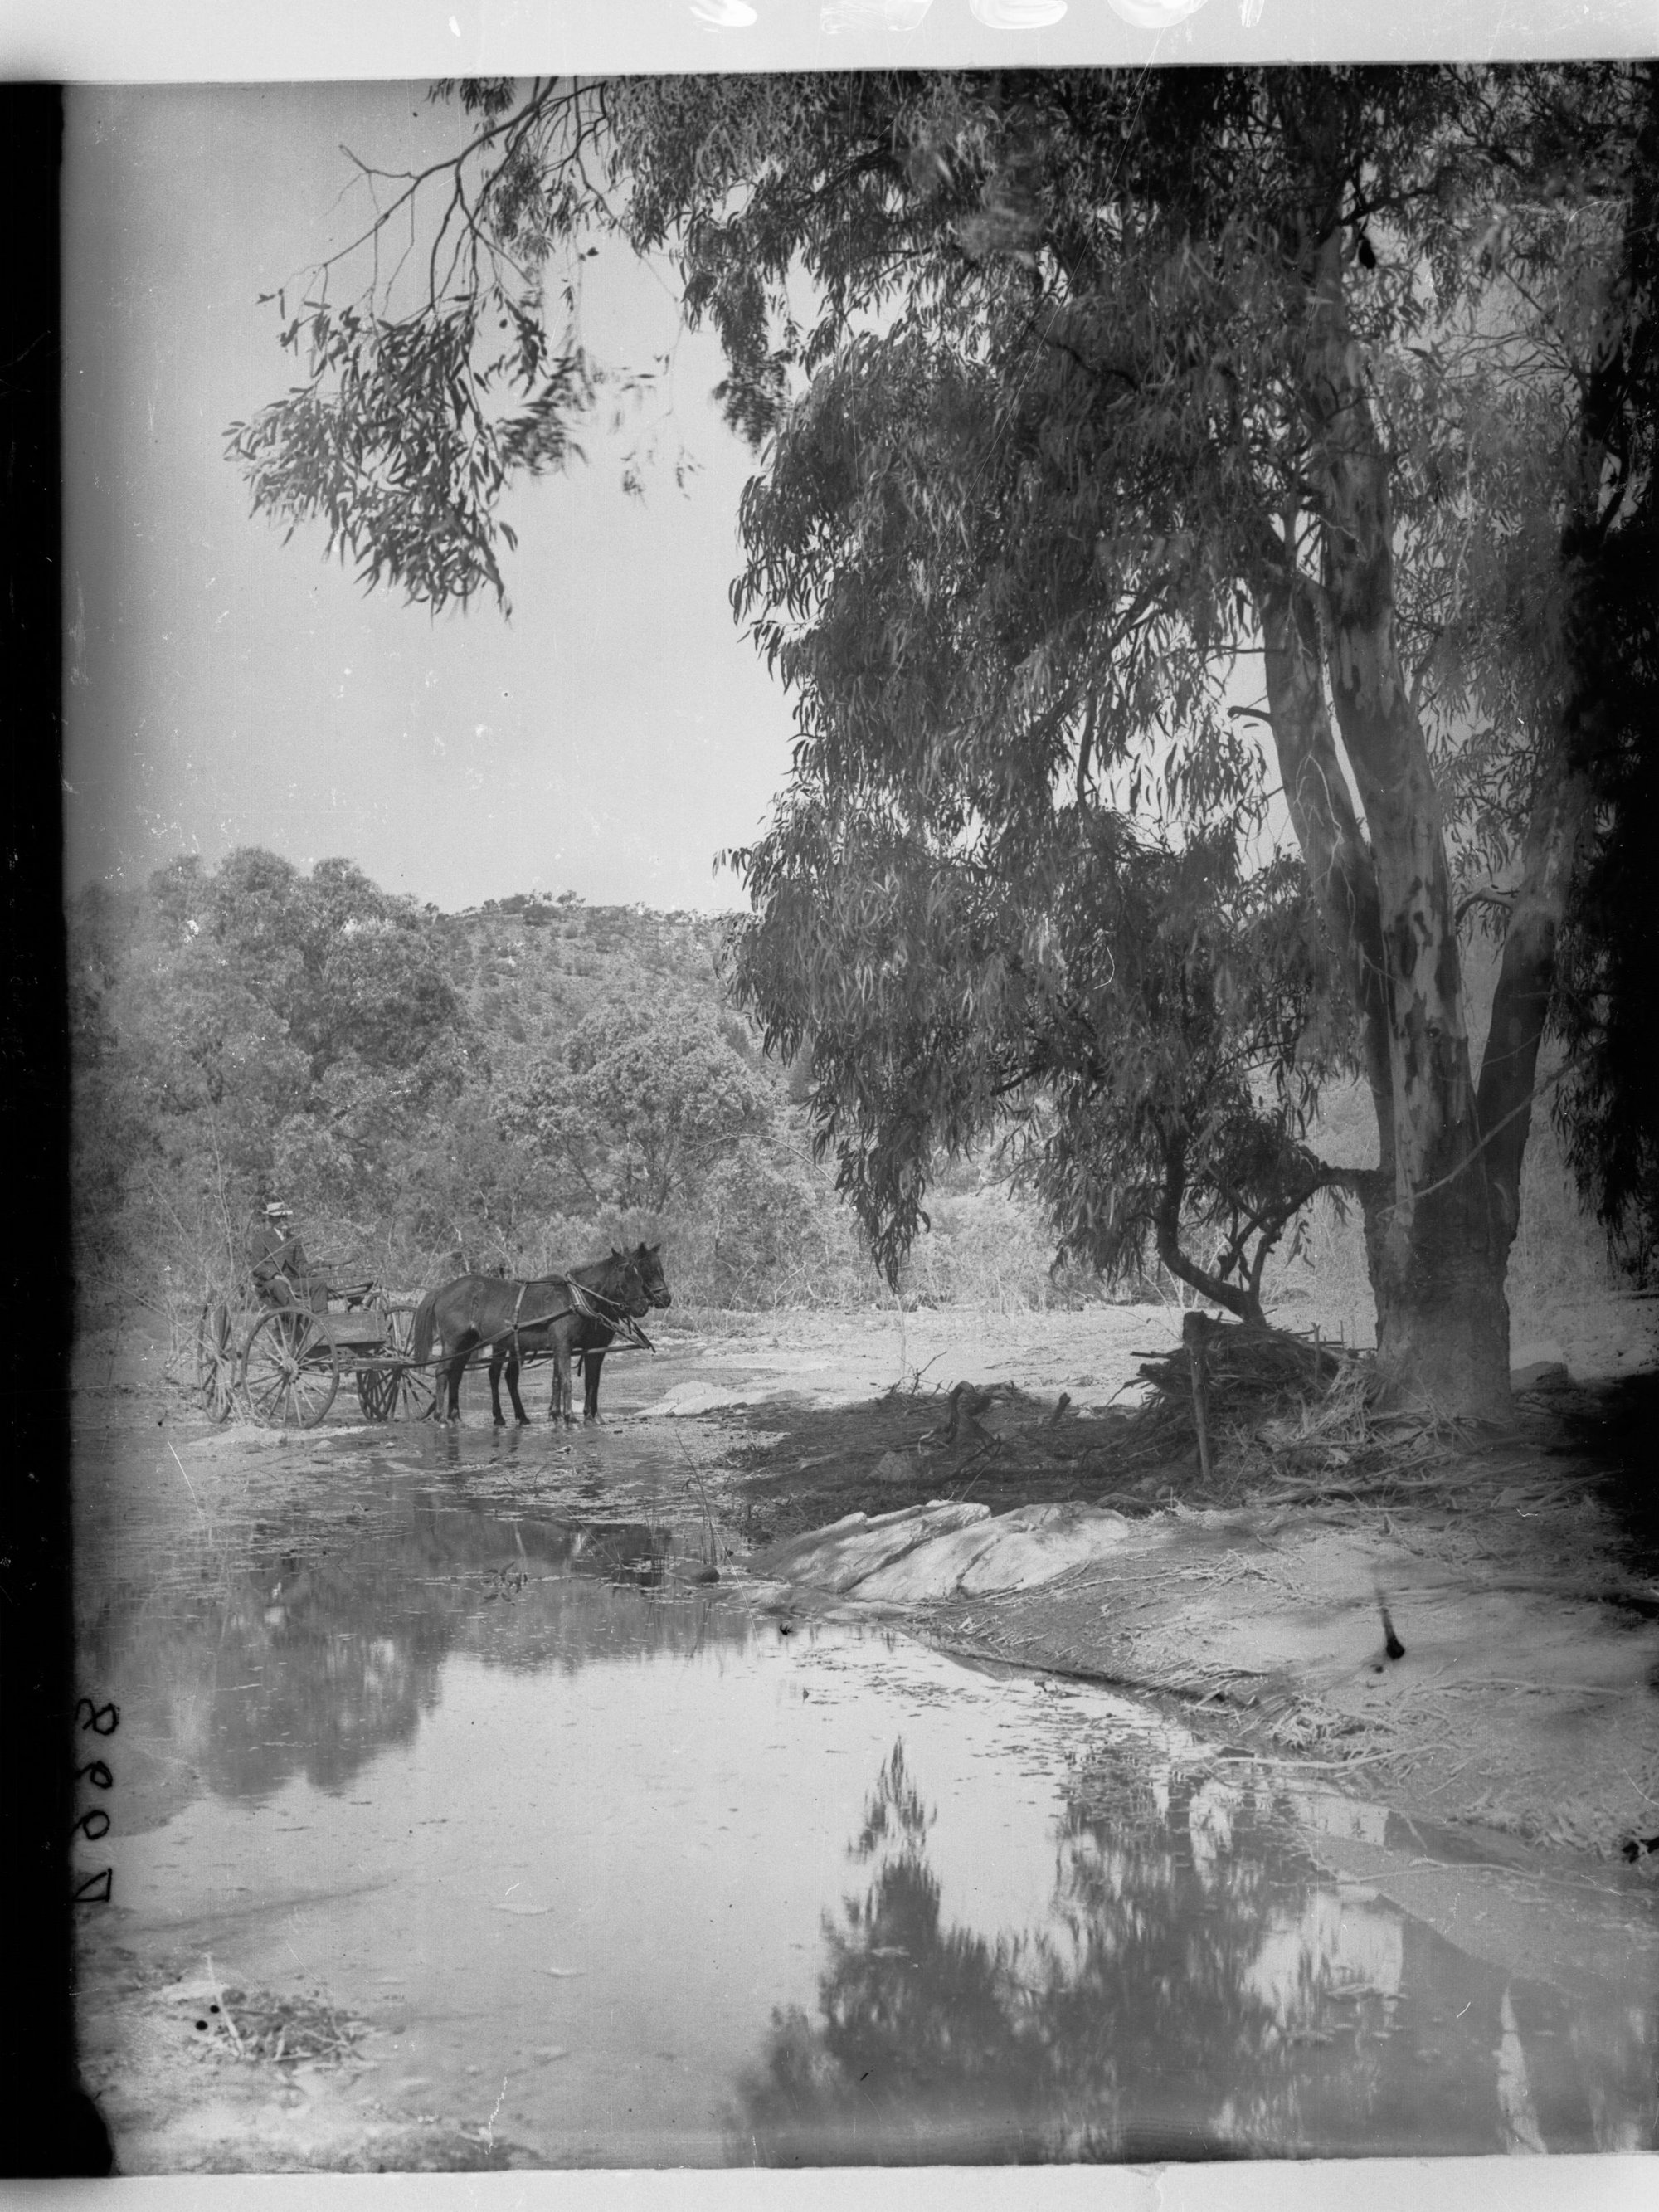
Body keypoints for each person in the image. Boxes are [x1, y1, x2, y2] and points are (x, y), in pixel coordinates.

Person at [248, 1198, 329, 1313]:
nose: (283, 1220)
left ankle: (321, 1321)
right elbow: (257, 1266)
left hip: (292, 1281)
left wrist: (309, 1271)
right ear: (271, 1219)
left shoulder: (294, 1239)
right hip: (270, 1284)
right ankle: (297, 1316)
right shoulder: (261, 1238)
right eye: (279, 1218)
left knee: (319, 1283)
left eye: (285, 1217)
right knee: (280, 1285)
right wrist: (276, 1276)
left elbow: (301, 1264)